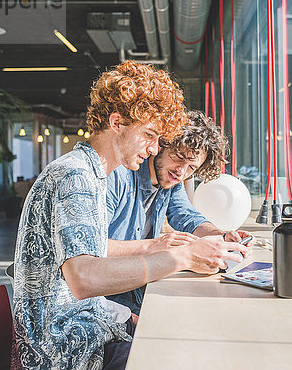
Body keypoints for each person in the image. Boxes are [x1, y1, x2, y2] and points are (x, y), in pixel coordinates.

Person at [11, 62, 248, 370]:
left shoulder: (91, 174)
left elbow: (184, 215)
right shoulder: (75, 176)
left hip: (88, 327)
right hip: (64, 349)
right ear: (117, 122)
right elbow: (85, 279)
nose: (153, 149)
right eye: (149, 135)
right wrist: (183, 257)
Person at [105, 110, 252, 314]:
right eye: (179, 157)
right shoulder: (119, 175)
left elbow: (186, 216)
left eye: (191, 167)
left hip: (139, 290)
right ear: (162, 144)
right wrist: (154, 246)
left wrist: (221, 235)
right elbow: (93, 248)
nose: (181, 171)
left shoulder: (172, 183)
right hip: (108, 297)